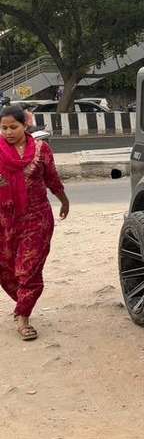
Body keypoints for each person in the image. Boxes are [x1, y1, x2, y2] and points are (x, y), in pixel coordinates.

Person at [0, 104, 69, 341]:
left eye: (13, 127)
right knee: (6, 269)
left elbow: (52, 178)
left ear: (25, 125)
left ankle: (23, 317)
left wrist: (64, 200)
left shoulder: (41, 149)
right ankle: (22, 302)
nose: (8, 132)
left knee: (28, 269)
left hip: (36, 218)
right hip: (5, 219)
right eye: (3, 128)